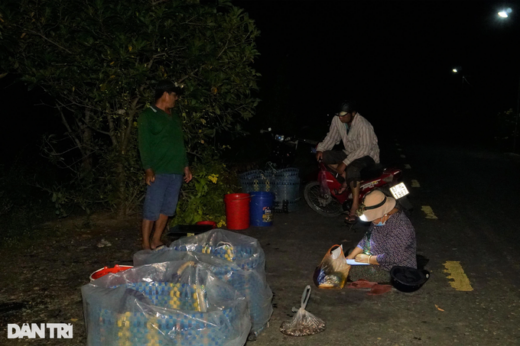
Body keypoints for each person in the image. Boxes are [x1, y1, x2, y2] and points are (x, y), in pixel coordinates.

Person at [137, 80, 193, 250]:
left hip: (175, 169)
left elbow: (179, 143)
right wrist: (148, 168)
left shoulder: (174, 117)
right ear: (166, 94)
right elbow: (143, 144)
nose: (176, 99)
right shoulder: (147, 116)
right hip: (158, 170)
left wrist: (185, 166)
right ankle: (146, 244)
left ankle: (156, 240)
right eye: (174, 95)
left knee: (168, 209)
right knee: (152, 209)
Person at [315, 100, 380, 224]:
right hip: (349, 152)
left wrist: (345, 162)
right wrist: (321, 149)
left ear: (353, 113)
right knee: (324, 157)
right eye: (339, 114)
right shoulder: (337, 119)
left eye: (344, 115)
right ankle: (347, 179)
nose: (341, 117)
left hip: (368, 155)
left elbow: (365, 148)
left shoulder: (363, 124)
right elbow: (332, 137)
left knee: (352, 169)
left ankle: (354, 206)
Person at [345, 190, 417, 283]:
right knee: (349, 254)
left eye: (373, 219)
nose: (372, 222)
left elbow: (393, 257)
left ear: (385, 213)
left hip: (392, 269)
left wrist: (369, 259)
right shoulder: (379, 220)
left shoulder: (401, 228)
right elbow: (367, 238)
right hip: (374, 255)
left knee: (353, 272)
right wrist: (350, 257)